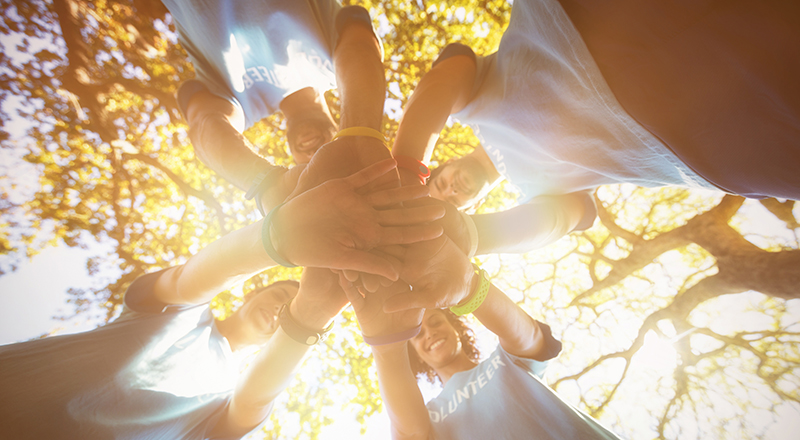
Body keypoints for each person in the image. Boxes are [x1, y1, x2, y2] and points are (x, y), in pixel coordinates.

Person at [0, 161, 445, 439]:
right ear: (250, 293)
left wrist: (309, 314)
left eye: (286, 306)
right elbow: (191, 278)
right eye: (277, 290)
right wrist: (275, 238)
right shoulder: (180, 315)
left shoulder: (228, 394)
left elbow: (247, 409)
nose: (277, 306)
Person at [391, 0, 800, 257]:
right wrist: (469, 236)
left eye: (438, 183)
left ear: (442, 164)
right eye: (452, 202)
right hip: (694, 141)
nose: (449, 190)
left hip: (590, 21)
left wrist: (405, 177)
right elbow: (557, 221)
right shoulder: (538, 194)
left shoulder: (468, 104)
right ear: (473, 205)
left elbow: (441, 84)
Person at [161, 0, 389, 212]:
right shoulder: (337, 64)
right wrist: (359, 136)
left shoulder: (240, 105)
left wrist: (266, 183)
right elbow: (360, 48)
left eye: (306, 171)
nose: (313, 157)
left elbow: (204, 126)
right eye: (328, 161)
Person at [347, 275, 622, 440]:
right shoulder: (427, 415)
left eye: (436, 321)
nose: (429, 333)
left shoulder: (505, 362)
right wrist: (384, 343)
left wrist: (468, 282)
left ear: (456, 327)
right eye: (417, 335)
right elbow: (412, 434)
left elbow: (530, 337)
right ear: (416, 355)